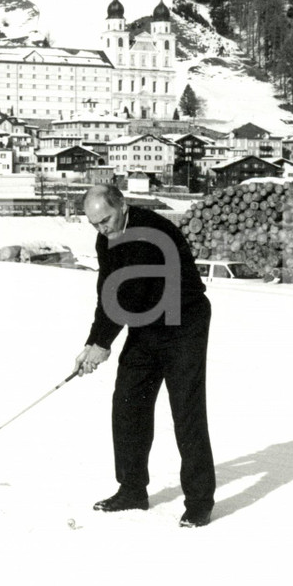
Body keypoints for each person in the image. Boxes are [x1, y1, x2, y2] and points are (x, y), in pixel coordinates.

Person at [74, 184, 216, 528]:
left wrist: (103, 345)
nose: (102, 228)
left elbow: (131, 293)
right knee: (127, 402)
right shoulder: (108, 236)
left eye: (105, 219)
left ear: (122, 204)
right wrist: (93, 341)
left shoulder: (149, 232)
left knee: (186, 409)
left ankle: (199, 501)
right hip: (147, 322)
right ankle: (132, 489)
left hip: (183, 321)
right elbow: (108, 291)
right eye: (95, 224)